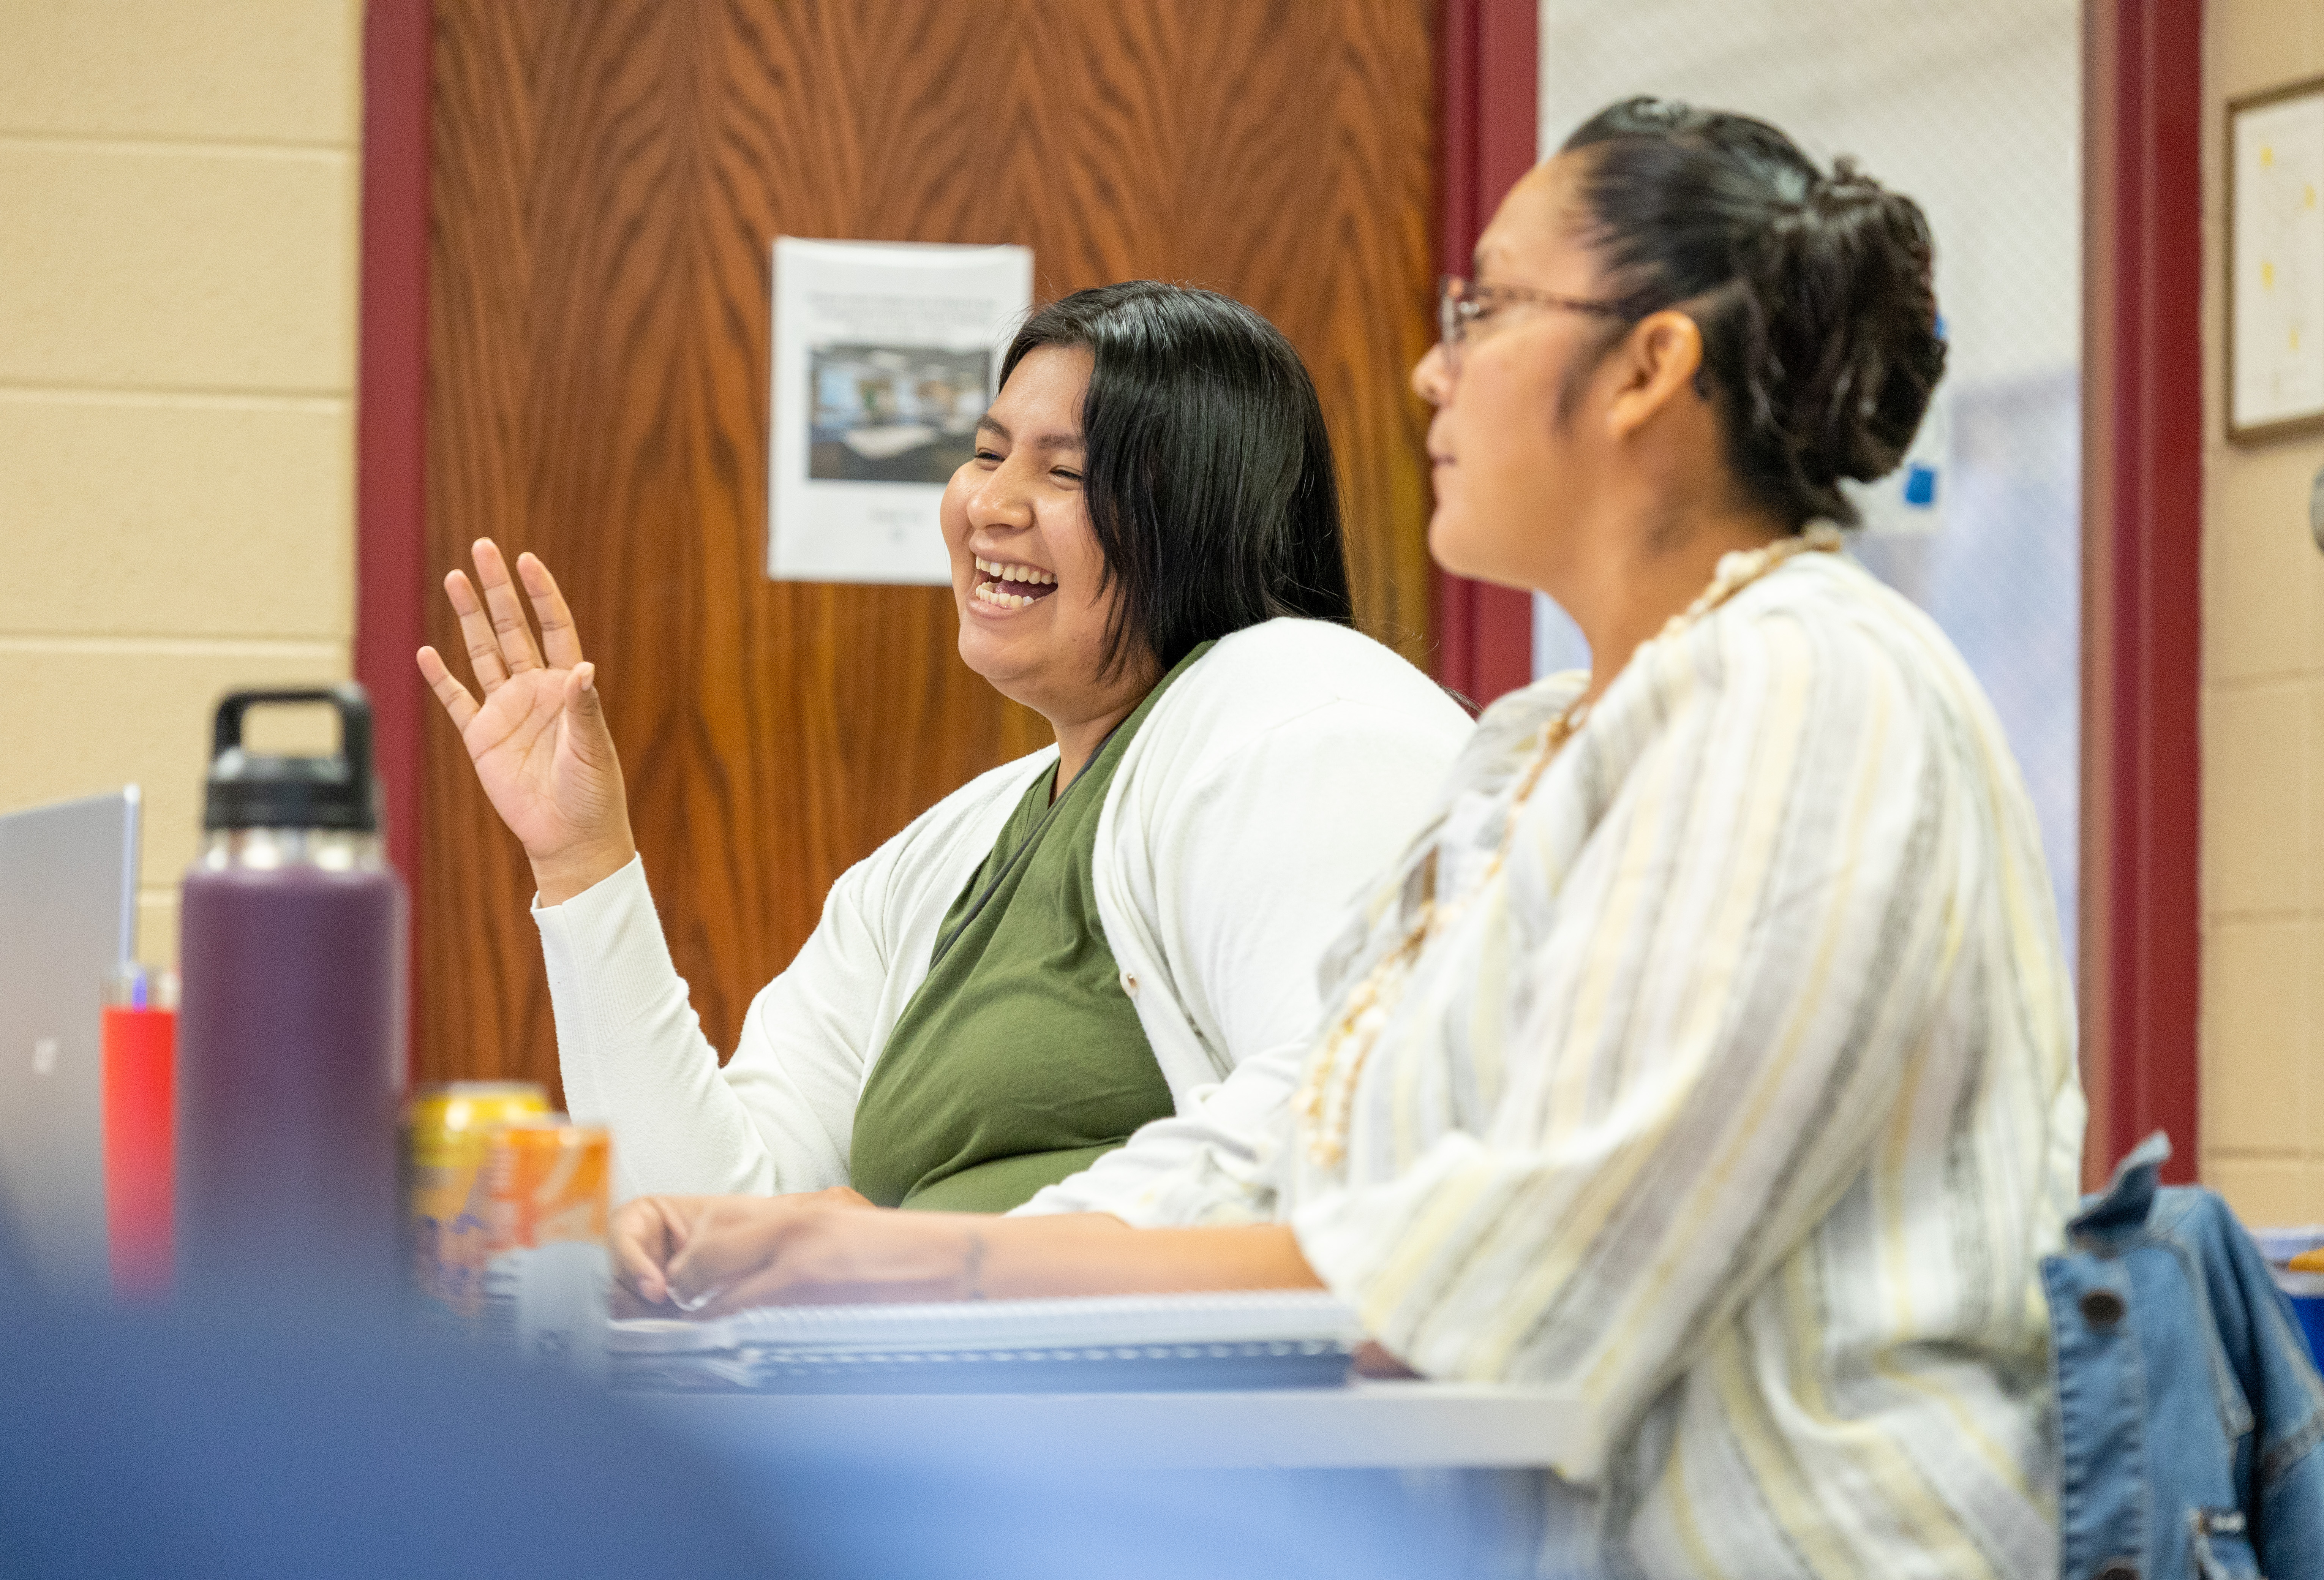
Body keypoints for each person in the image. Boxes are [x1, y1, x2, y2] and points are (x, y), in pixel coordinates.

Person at [615, 100, 2086, 1577]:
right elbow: (1303, 1147)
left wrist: (940, 1266)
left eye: (1487, 311)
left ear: (1650, 367)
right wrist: (869, 1260)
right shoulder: (1545, 747)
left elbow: (1512, 1281)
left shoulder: (1808, 681)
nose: (1433, 370)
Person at [419, 281, 1472, 1213]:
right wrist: (583, 863)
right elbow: (703, 1217)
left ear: (1204, 519)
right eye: (986, 454)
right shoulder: (938, 859)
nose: (989, 507)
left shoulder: (1307, 712)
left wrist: (917, 1265)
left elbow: (1345, 1142)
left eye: (1067, 473)